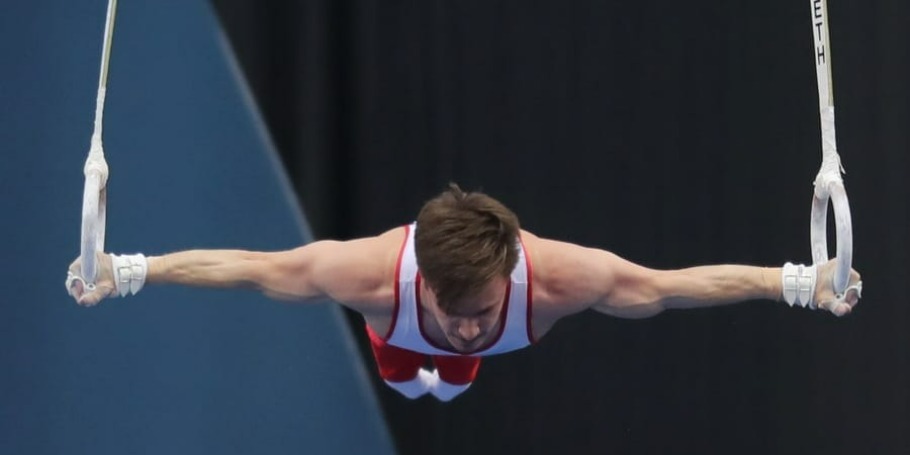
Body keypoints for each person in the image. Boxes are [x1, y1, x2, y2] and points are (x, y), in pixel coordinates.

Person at [65, 184, 863, 401]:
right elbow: (248, 265)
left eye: (485, 311)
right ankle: (419, 360)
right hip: (395, 340)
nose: (475, 326)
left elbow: (667, 288)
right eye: (459, 314)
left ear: (511, 274)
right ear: (422, 284)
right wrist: (127, 269)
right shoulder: (368, 276)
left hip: (437, 335)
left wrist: (797, 282)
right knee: (412, 371)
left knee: (456, 373)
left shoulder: (557, 279)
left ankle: (445, 372)